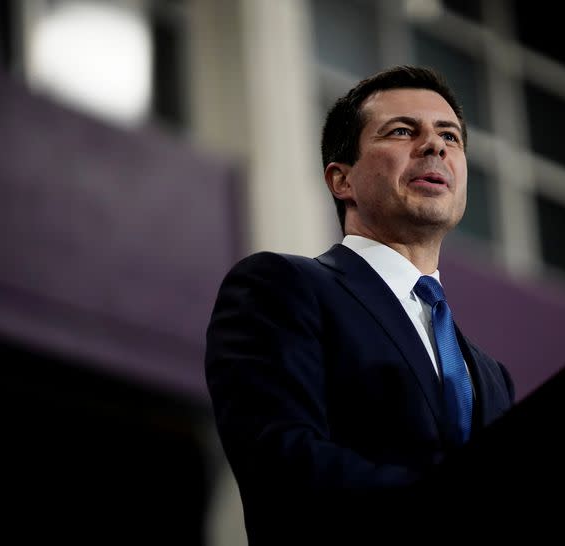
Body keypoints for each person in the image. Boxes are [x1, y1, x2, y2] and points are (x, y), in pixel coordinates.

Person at [204, 65, 515, 539]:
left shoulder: (492, 375)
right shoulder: (282, 287)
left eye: (450, 137)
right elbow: (281, 460)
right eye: (402, 131)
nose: (435, 146)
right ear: (341, 180)